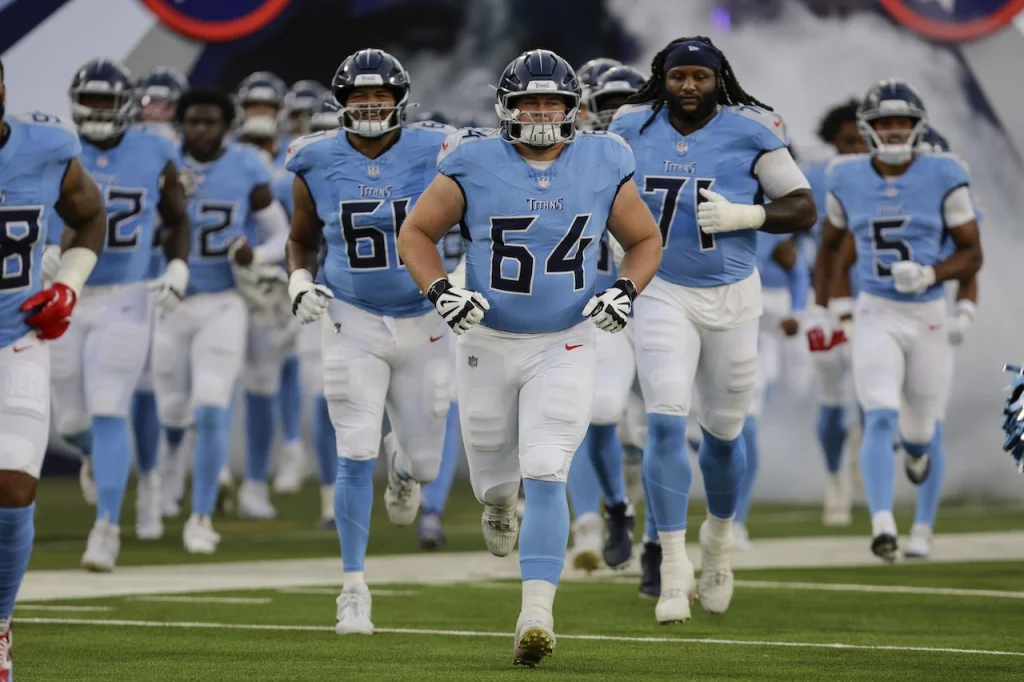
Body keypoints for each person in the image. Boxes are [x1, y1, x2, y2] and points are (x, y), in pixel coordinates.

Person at [396, 48, 663, 667]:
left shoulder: (605, 157)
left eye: (552, 102)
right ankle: (495, 505)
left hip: (565, 339)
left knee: (547, 469)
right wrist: (441, 291)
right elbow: (416, 233)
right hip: (487, 339)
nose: (540, 113)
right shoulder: (471, 158)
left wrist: (624, 291)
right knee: (494, 479)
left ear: (574, 108)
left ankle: (535, 614)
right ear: (505, 108)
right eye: (527, 102)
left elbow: (645, 239)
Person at [609, 36, 816, 621]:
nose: (689, 87)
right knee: (665, 422)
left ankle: (718, 542)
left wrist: (747, 214)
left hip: (732, 294)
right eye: (679, 77)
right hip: (661, 290)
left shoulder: (751, 129)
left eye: (701, 76)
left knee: (724, 434)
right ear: (662, 79)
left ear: (719, 78)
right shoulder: (628, 126)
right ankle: (673, 564)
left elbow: (803, 207)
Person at [285, 48, 454, 635]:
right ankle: (353, 586)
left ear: (401, 100)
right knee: (353, 447)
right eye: (359, 97)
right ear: (341, 103)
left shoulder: (441, 147)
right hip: (350, 315)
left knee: (427, 464)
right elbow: (302, 238)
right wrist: (298, 279)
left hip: (425, 314)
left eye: (381, 96)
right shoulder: (313, 159)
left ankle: (404, 466)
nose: (371, 105)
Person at [815, 80, 982, 562]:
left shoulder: (945, 172)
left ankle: (922, 519)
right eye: (884, 122)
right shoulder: (846, 176)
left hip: (929, 313)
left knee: (922, 430)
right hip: (877, 310)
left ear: (918, 127)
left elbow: (972, 254)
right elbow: (832, 247)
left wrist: (937, 279)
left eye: (902, 122)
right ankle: (883, 524)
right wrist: (832, 309)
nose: (893, 130)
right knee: (879, 413)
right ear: (867, 129)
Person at [47, 59, 190, 570]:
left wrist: (176, 264)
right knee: (70, 419)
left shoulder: (154, 149)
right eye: (93, 101)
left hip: (126, 293)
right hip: (66, 292)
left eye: (109, 100)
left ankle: (106, 528)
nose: (100, 111)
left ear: (127, 103)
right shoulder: (58, 149)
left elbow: (176, 218)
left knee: (109, 406)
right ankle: (93, 457)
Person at [0, 57, 108, 679]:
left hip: (17, 336)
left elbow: (89, 215)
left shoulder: (44, 147)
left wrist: (68, 283)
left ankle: (0, 625)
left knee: (14, 488)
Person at [151, 86, 289, 555]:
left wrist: (256, 255)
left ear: (226, 127)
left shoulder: (247, 165)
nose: (200, 130)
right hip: (170, 301)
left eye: (210, 122)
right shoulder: (162, 161)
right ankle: (169, 462)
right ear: (181, 124)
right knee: (172, 409)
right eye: (193, 121)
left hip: (224, 302)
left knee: (211, 405)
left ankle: (202, 515)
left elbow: (281, 236)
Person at [802, 99, 867, 526]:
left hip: (880, 302)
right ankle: (833, 477)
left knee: (873, 398)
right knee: (831, 399)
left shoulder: (894, 177)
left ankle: (865, 461)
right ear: (832, 141)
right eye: (847, 143)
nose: (856, 151)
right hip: (823, 299)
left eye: (862, 142)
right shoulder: (813, 178)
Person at [131, 65, 190, 524]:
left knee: (171, 388)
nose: (157, 112)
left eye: (166, 104)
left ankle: (168, 464)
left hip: (180, 277)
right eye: (150, 102)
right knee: (142, 386)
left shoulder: (198, 153)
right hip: (130, 275)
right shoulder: (124, 150)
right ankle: (150, 477)